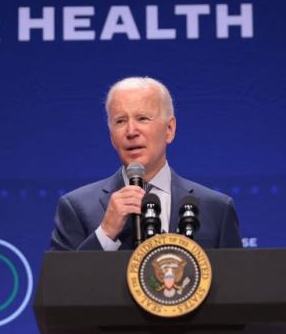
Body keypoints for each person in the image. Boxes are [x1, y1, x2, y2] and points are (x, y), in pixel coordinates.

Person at [50, 77, 242, 251]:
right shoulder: (77, 207)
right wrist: (106, 232)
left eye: (142, 118)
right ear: (111, 136)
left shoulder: (216, 209)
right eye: (120, 121)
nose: (131, 131)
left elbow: (237, 285)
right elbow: (60, 287)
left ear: (169, 129)